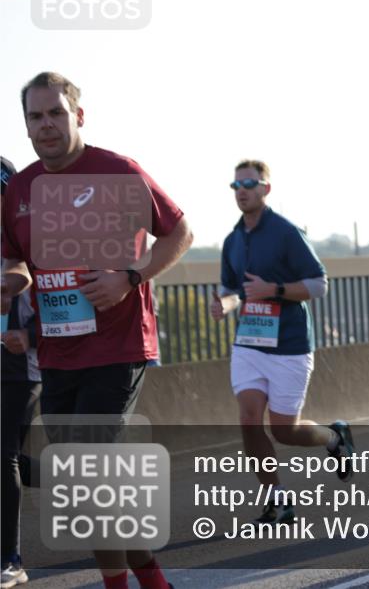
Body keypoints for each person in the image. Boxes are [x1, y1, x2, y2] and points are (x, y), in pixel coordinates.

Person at [1, 72, 193, 589]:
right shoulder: (20, 189)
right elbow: (16, 261)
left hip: (118, 344)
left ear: (78, 115)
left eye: (55, 113)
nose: (46, 126)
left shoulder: (117, 171)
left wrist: (130, 277)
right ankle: (151, 579)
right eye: (35, 117)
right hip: (58, 353)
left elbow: (178, 231)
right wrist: (9, 283)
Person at [210, 160, 355, 524]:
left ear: (265, 189)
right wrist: (224, 305)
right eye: (236, 184)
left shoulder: (286, 233)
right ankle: (278, 501)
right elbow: (232, 291)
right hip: (249, 344)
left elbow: (319, 284)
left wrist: (273, 290)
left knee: (284, 429)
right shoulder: (232, 240)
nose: (242, 190)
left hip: (289, 345)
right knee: (248, 420)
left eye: (250, 183)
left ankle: (333, 437)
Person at [1, 157, 41, 589]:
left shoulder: (32, 239)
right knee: (11, 458)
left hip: (20, 364)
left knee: (2, 453)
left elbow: (55, 299)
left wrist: (28, 334)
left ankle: (10, 559)